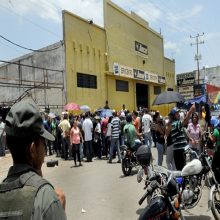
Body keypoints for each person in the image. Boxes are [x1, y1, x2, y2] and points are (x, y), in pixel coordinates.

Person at [0, 99, 66, 220]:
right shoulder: (47, 198)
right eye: (42, 143)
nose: (44, 149)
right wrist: (56, 208)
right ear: (32, 149)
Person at [170, 104, 195, 170]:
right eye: (176, 113)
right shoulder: (175, 124)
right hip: (179, 152)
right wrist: (190, 111)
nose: (178, 114)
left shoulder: (177, 123)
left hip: (182, 151)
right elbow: (185, 121)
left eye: (178, 113)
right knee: (182, 172)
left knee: (184, 171)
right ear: (173, 116)